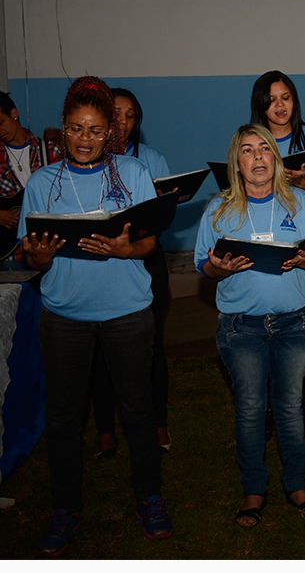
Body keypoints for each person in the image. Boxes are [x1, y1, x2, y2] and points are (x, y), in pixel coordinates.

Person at [18, 76, 171, 555]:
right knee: (64, 418)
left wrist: (129, 249)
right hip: (64, 316)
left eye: (96, 130)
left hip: (128, 312)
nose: (85, 139)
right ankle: (65, 506)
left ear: (111, 133)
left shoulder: (133, 175)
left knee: (137, 410)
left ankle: (149, 496)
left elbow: (150, 242)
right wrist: (39, 258)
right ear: (64, 130)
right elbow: (30, 257)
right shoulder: (43, 183)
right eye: (76, 129)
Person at [194, 123, 305, 525]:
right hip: (241, 328)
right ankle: (254, 490)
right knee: (250, 409)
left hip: (293, 324)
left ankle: (296, 485)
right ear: (237, 161)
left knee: (288, 407)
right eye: (247, 151)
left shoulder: (300, 204)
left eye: (264, 150)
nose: (257, 158)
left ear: (276, 158)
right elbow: (205, 264)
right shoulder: (218, 209)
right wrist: (218, 269)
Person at [250, 71, 305, 436]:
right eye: (271, 99)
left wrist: (304, 184)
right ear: (261, 105)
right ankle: (269, 408)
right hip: (260, 243)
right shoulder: (252, 141)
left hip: (304, 243)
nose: (280, 105)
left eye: (286, 97)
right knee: (261, 330)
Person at [91, 88, 172, 460]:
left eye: (130, 115)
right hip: (99, 261)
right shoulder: (88, 161)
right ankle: (105, 430)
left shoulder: (149, 159)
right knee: (99, 349)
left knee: (151, 345)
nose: (123, 120)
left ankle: (157, 423)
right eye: (117, 113)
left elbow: (162, 217)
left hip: (146, 258)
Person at [1, 90, 61, 267]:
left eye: (0, 123)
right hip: (9, 254)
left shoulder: (51, 152)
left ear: (14, 114)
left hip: (48, 252)